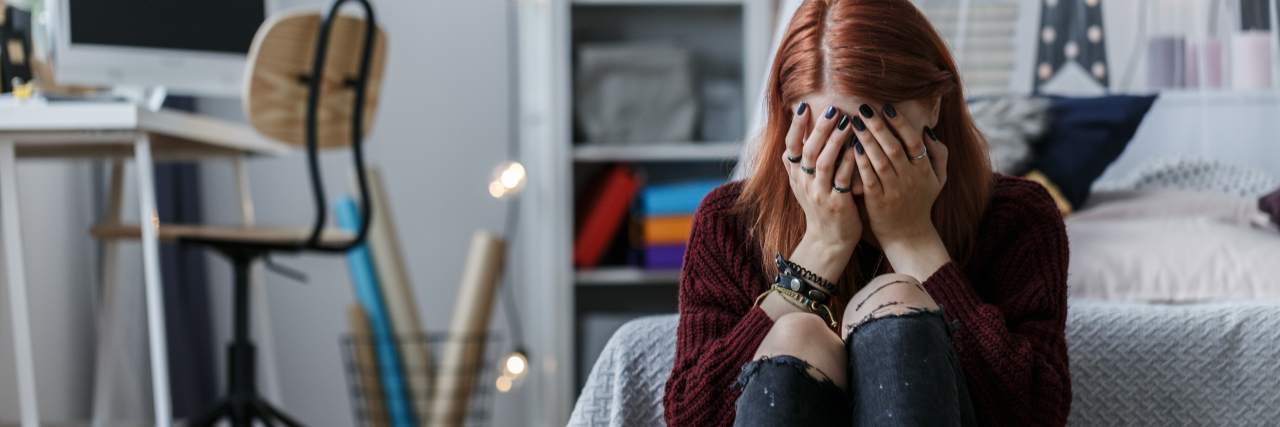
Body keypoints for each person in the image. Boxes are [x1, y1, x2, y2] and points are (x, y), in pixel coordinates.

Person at [661, 0, 1071, 425]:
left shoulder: (1019, 216)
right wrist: (820, 250)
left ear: (933, 105)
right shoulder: (729, 222)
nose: (857, 165)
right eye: (832, 140)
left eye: (877, 136)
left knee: (896, 301)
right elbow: (692, 417)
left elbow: (1037, 413)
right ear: (791, 125)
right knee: (794, 333)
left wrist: (912, 240)